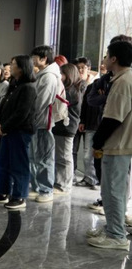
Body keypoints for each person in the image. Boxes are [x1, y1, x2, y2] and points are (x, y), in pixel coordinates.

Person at [86, 40, 132, 250]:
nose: (104, 59)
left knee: (112, 191)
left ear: (114, 58)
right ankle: (113, 227)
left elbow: (113, 118)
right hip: (118, 143)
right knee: (113, 190)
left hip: (117, 144)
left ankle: (116, 235)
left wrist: (98, 141)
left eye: (106, 55)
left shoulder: (123, 82)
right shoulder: (122, 79)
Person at [0, 55, 38, 209]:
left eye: (13, 64)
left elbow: (21, 113)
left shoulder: (28, 87)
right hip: (8, 129)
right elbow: (4, 105)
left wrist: (4, 127)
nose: (10, 67)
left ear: (22, 68)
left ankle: (19, 196)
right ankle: (3, 192)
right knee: (3, 163)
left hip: (20, 131)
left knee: (19, 165)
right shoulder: (14, 84)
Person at [29, 45, 61, 203]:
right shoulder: (41, 74)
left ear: (44, 59)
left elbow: (41, 102)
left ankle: (46, 189)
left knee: (44, 158)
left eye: (35, 57)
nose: (32, 60)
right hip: (37, 121)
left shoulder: (49, 77)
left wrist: (30, 113)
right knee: (35, 157)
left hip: (42, 122)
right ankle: (37, 187)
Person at [53, 63, 85, 195]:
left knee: (64, 157)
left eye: (62, 73)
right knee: (61, 157)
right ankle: (60, 182)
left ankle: (64, 185)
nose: (60, 76)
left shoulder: (71, 91)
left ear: (69, 75)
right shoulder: (70, 89)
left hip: (66, 128)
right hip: (62, 127)